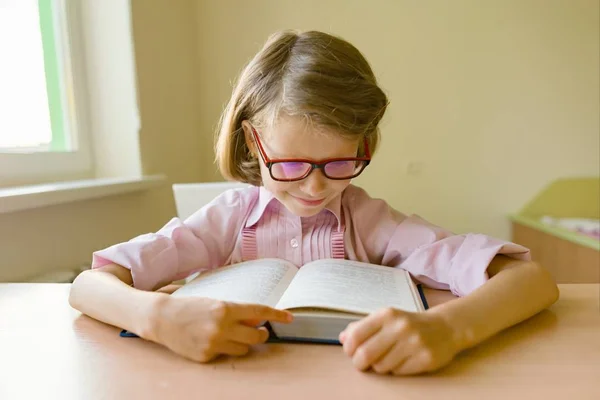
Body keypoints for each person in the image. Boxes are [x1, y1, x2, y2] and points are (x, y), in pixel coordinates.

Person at [69, 30, 559, 375]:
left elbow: (530, 280)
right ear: (252, 140)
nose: (314, 187)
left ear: (363, 146)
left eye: (340, 163)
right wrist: (157, 318)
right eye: (289, 165)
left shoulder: (372, 222)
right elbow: (88, 286)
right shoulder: (225, 220)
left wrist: (448, 330)